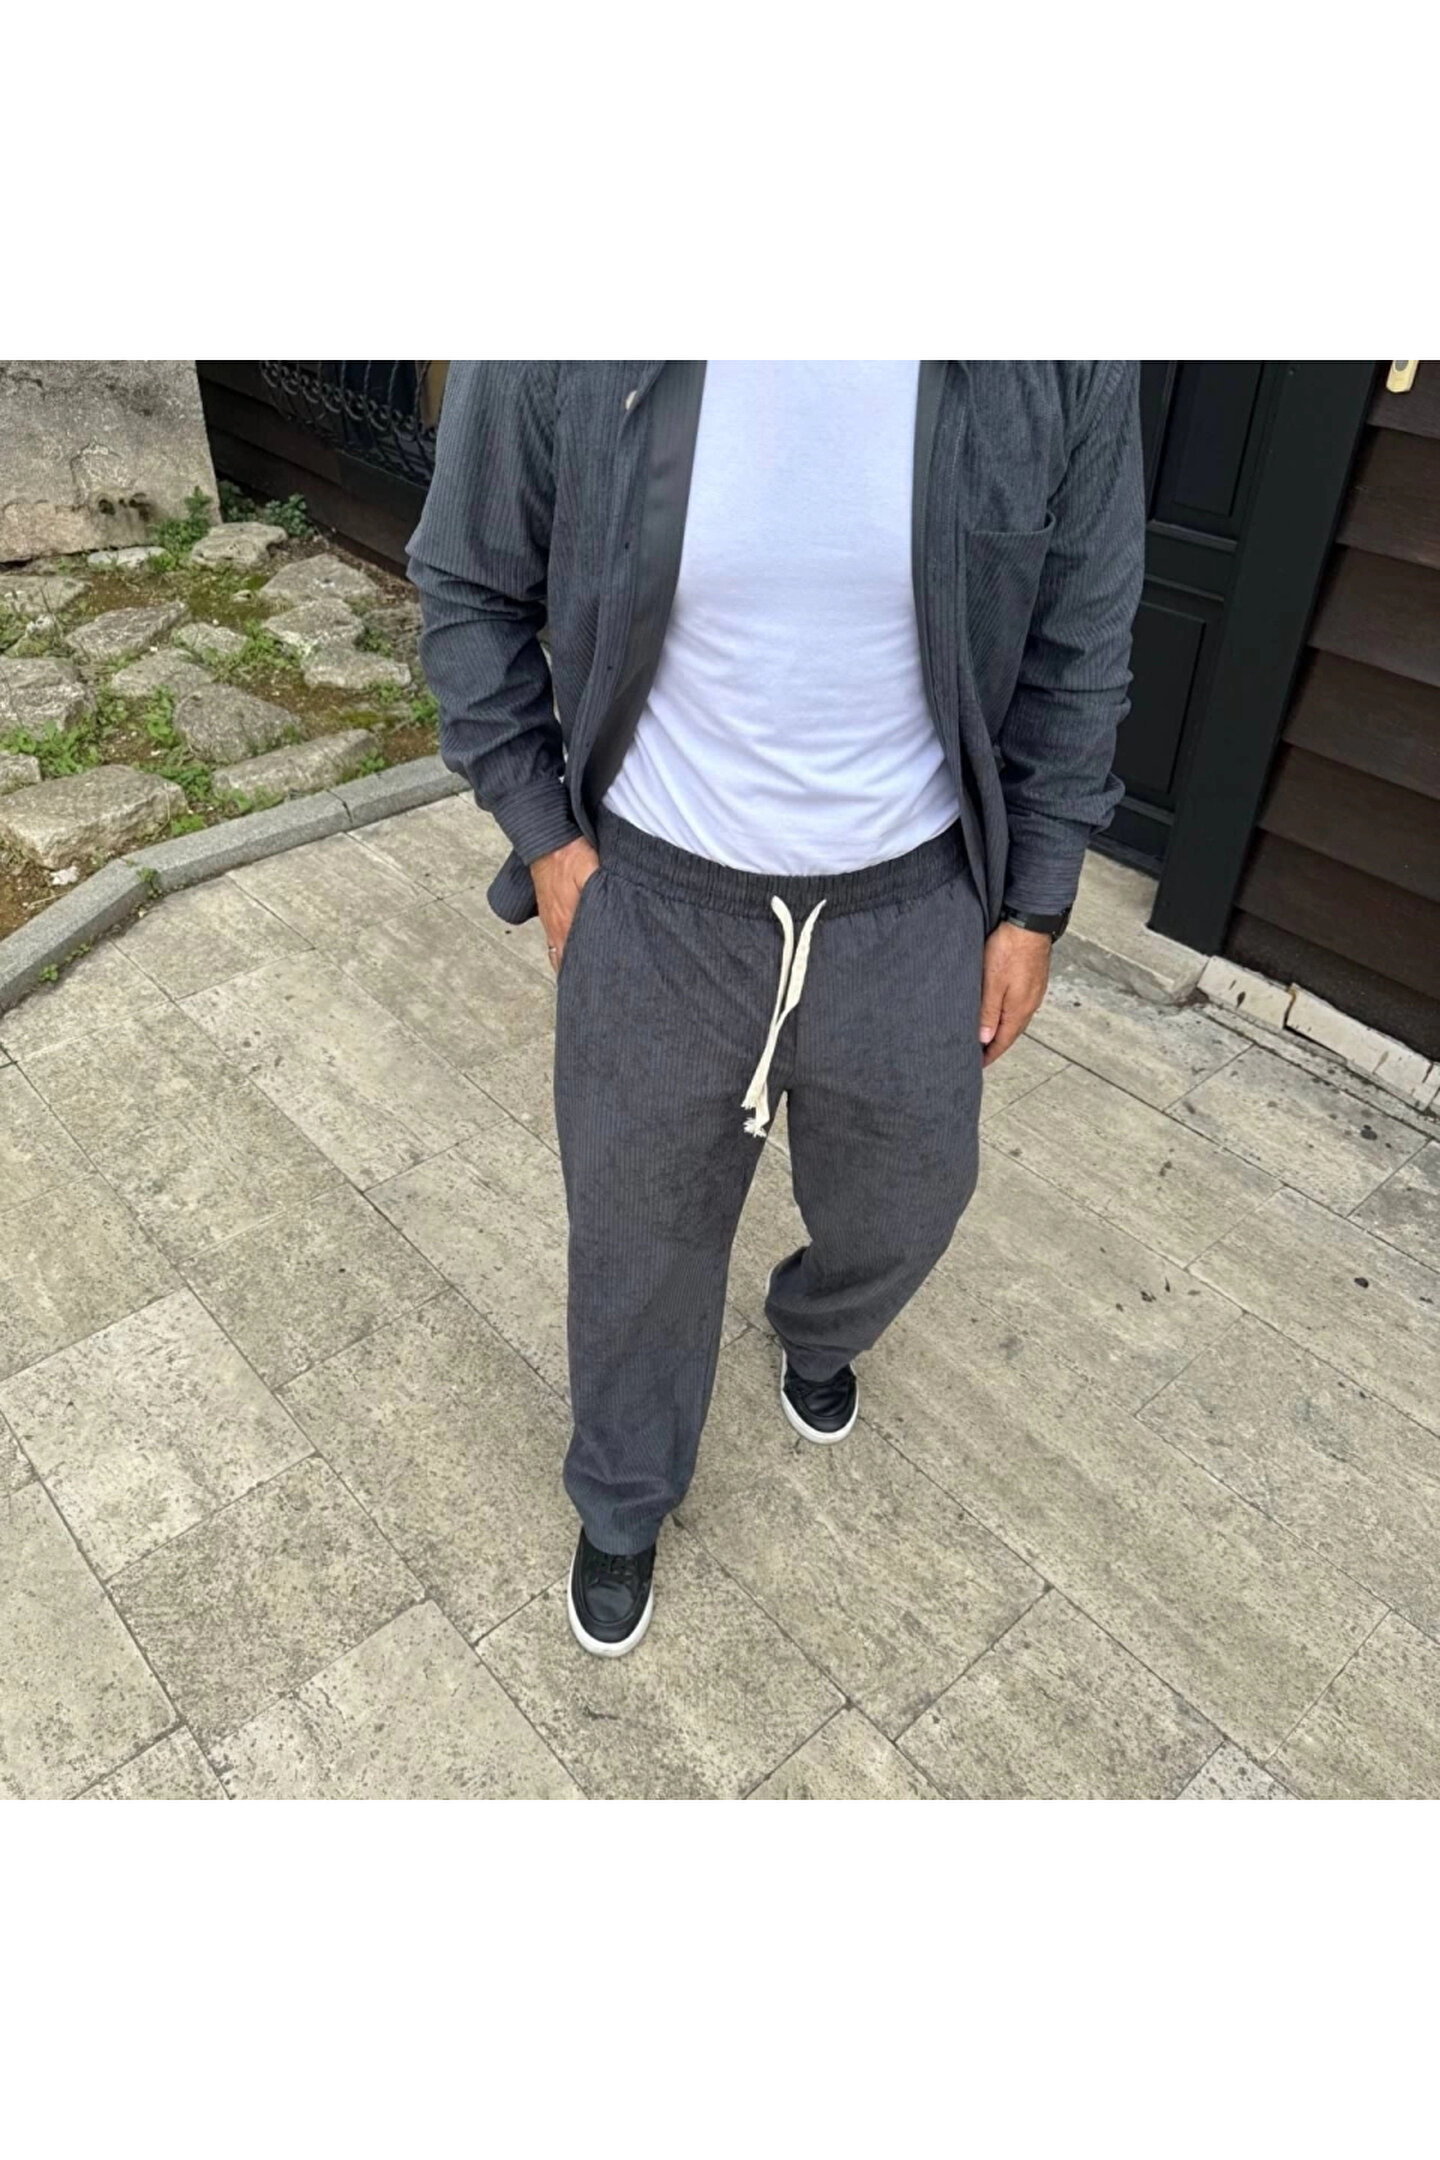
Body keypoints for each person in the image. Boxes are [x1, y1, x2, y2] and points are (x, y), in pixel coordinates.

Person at [409, 361, 1145, 1656]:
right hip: (658, 902)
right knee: (638, 1242)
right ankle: (625, 1496)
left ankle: (818, 1325)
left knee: (909, 1201)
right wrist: (546, 837)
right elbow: (468, 585)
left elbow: (1080, 645)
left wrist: (1035, 903)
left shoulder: (1059, 346)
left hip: (913, 903)